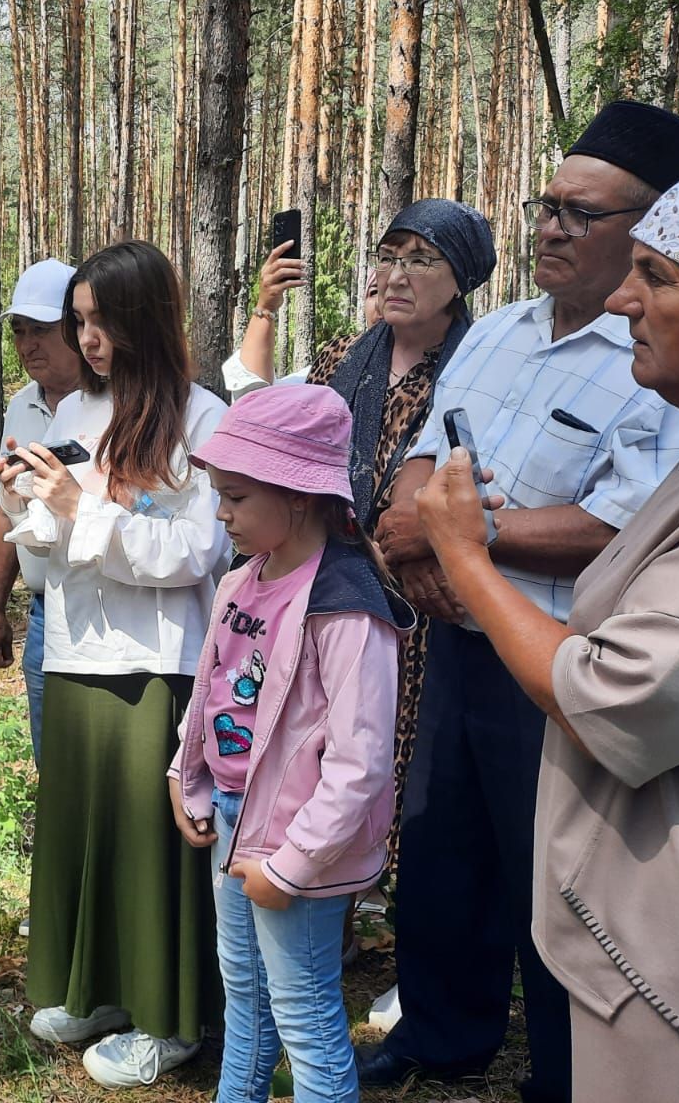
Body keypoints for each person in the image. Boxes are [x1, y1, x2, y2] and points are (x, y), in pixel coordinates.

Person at [358, 101, 679, 1100]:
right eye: (544, 205)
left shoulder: (657, 363)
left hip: (566, 658)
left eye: (581, 214)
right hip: (461, 636)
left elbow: (618, 522)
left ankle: (568, 1071)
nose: (549, 227)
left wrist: (461, 538)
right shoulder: (501, 329)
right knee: (439, 850)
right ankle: (440, 1032)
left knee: (555, 877)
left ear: (649, 230)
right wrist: (418, 526)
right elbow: (426, 453)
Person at [0, 240, 227, 1088]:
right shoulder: (75, 417)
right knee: (88, 832)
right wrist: (31, 509)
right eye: (80, 322)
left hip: (158, 661)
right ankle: (96, 988)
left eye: (102, 322)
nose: (88, 340)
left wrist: (80, 509)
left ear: (146, 318)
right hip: (79, 652)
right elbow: (56, 559)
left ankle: (168, 1020)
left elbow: (196, 552)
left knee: (149, 846)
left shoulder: (202, 420)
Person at [234, 202, 496, 889]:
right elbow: (287, 446)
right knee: (316, 747)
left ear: (460, 275)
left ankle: (398, 905)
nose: (398, 273)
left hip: (424, 607)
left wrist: (417, 547)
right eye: (389, 255)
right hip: (332, 596)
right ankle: (322, 892)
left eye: (422, 258)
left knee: (402, 765)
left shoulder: (481, 370)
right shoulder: (344, 359)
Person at [172, 384, 414, 1103]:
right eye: (220, 494)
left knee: (305, 1014)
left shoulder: (345, 606)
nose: (222, 514)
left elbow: (361, 760)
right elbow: (209, 688)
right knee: (242, 994)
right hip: (233, 816)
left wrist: (293, 866)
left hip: (298, 845)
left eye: (237, 498)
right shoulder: (240, 583)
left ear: (301, 496)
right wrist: (183, 778)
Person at [0, 258, 88, 763]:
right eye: (19, 331)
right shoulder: (21, 406)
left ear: (78, 326)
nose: (27, 345)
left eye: (41, 330)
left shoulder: (118, 403)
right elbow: (9, 512)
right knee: (54, 763)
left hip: (109, 610)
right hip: (47, 615)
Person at [221, 263, 380, 398]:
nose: (382, 303)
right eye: (374, 292)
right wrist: (266, 307)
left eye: (395, 291)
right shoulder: (335, 358)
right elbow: (258, 398)